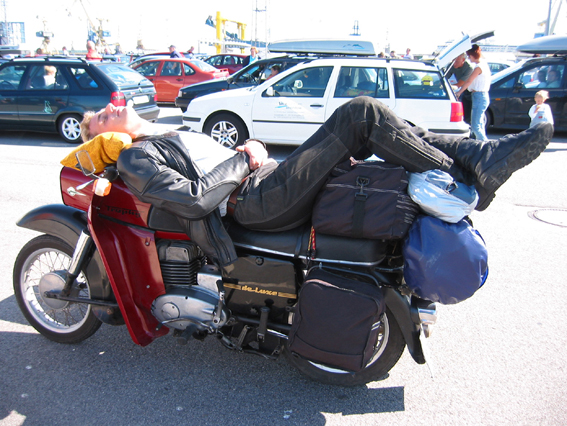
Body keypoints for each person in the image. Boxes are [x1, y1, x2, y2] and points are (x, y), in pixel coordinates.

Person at [79, 97, 552, 265]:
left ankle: (474, 159)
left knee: (385, 126)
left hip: (267, 180)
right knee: (360, 115)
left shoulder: (167, 131)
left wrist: (248, 157)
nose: (110, 107)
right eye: (100, 116)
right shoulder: (135, 157)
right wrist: (244, 158)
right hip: (255, 200)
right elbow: (193, 200)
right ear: (104, 137)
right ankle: (470, 168)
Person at [456, 44, 491, 141]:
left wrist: (459, 92)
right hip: (481, 96)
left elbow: (469, 81)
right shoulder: (483, 64)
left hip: (479, 96)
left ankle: (485, 144)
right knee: (480, 124)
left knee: (475, 126)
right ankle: (482, 144)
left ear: (472, 55)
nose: (468, 58)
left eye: (469, 56)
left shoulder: (478, 67)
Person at [448, 53, 474, 124]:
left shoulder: (469, 68)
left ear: (463, 60)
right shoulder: (452, 65)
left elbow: (459, 84)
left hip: (470, 92)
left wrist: (446, 86)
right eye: (453, 61)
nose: (454, 63)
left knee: (468, 115)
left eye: (456, 61)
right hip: (463, 91)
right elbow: (445, 76)